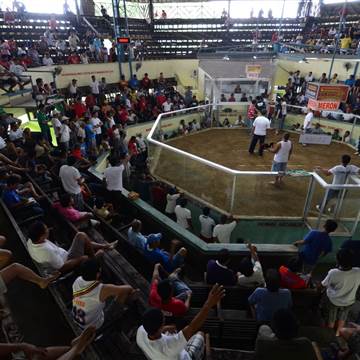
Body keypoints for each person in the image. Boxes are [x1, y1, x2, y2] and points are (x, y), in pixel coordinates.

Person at [136, 284, 225, 360]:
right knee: (200, 333)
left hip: (159, 356)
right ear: (159, 327)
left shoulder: (140, 332)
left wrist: (164, 328)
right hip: (184, 356)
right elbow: (192, 328)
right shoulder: (170, 347)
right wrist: (208, 304)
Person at [27, 221, 116, 273]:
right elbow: (62, 267)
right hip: (68, 260)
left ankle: (106, 246)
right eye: (46, 229)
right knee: (82, 236)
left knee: (81, 236)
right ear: (41, 236)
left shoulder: (31, 241)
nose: (48, 230)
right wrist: (80, 259)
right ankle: (93, 260)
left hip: (63, 255)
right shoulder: (47, 251)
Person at [72, 259, 137, 329]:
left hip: (76, 317)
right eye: (100, 271)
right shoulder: (102, 289)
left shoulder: (77, 280)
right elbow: (128, 288)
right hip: (91, 327)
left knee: (108, 295)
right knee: (124, 293)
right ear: (97, 274)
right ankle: (129, 310)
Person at [321, 248, 360, 336]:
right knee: (343, 317)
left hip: (333, 301)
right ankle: (338, 333)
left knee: (331, 318)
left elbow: (323, 284)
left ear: (337, 260)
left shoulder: (333, 272)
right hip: (349, 301)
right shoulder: (358, 271)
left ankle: (330, 334)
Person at [255, 309, 320, 360]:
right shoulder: (305, 344)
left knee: (263, 328)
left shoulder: (262, 344)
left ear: (274, 328)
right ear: (296, 327)